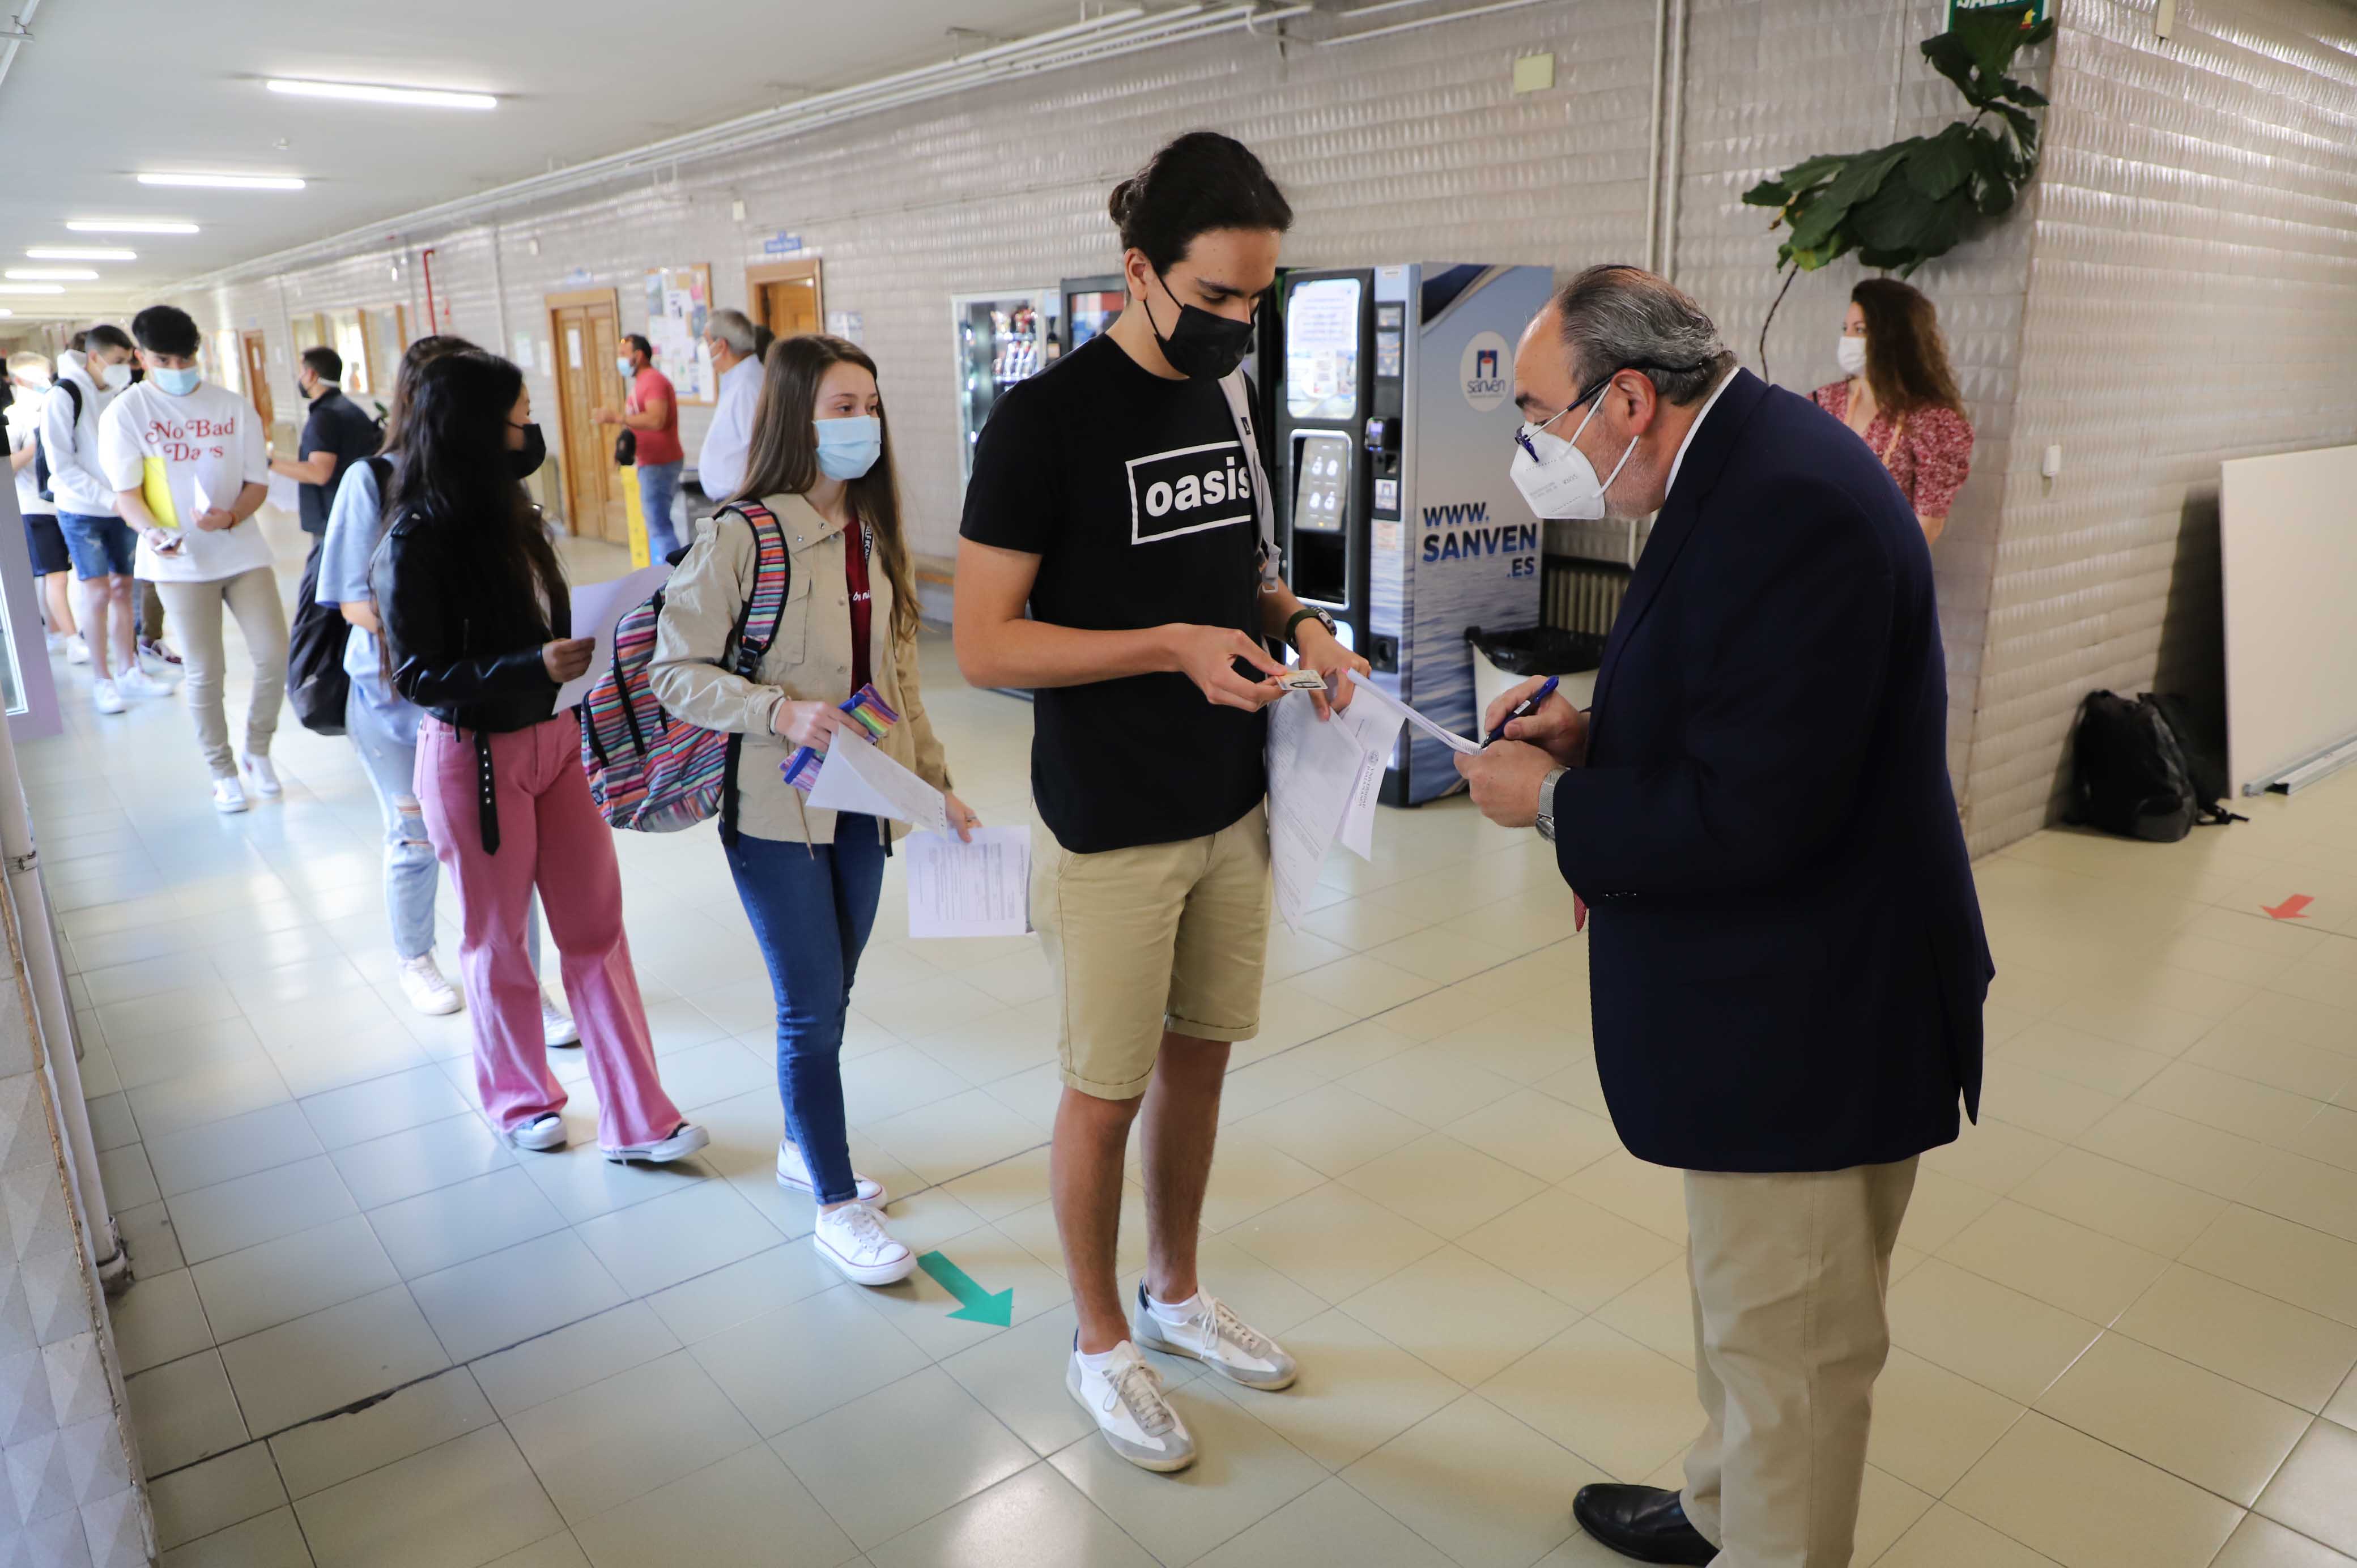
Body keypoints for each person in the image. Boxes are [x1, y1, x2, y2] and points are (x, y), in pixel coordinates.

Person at [1454, 265, 1990, 1568]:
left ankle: (1768, 1534)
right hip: (1765, 997)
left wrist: (1550, 808)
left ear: (1627, 397)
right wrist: (1595, 733)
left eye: (1537, 414)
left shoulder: (1784, 504)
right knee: (1744, 1309)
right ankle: (1715, 1506)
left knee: (1792, 1358)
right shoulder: (1733, 462)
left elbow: (1757, 816)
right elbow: (1748, 708)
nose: (1530, 448)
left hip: (1815, 1017)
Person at [955, 131, 1369, 1475]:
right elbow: (984, 644)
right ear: (1139, 270)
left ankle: (1174, 1296)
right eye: (1214, 300)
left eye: (1259, 300)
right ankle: (1096, 1341)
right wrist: (1164, 649)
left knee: (1203, 1057)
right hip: (1112, 816)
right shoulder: (1043, 424)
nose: (1237, 327)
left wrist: (1300, 623)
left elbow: (1241, 566)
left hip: (1228, 799)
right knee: (1105, 1086)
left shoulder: (1223, 398)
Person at [650, 333, 974, 1284]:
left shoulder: (877, 535)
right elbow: (674, 668)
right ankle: (835, 1203)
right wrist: (778, 710)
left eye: (868, 403)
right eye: (841, 405)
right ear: (796, 417)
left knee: (835, 993)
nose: (861, 421)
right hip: (774, 809)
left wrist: (937, 780)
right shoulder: (741, 533)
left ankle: (803, 1147)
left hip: (864, 804)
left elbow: (901, 678)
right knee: (809, 1013)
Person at [376, 347, 706, 1164]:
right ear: (472, 428)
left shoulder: (519, 516)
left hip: (560, 742)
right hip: (471, 759)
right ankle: (520, 1100)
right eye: (518, 416)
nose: (530, 431)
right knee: (499, 940)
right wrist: (529, 666)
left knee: (596, 928)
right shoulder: (415, 536)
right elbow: (417, 674)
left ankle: (640, 1115)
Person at [316, 334, 578, 1042]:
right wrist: (451, 626)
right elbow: (349, 600)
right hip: (395, 699)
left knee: (507, 847)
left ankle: (528, 986)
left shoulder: (491, 478)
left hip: (493, 696)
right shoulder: (373, 481)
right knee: (415, 834)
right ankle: (415, 957)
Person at [104, 306, 282, 809]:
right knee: (206, 669)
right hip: (178, 560)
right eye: (164, 359)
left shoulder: (231, 406)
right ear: (141, 357)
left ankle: (258, 749)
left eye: (186, 358)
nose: (177, 368)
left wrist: (229, 518)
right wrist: (154, 533)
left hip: (241, 551)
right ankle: (221, 769)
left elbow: (257, 481)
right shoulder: (127, 413)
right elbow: (127, 494)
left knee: (274, 656)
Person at [44, 323, 168, 714]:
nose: (125, 369)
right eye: (118, 361)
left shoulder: (122, 393)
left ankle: (131, 668)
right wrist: (109, 499)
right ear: (95, 357)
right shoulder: (64, 395)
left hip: (122, 507)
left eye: (129, 361)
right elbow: (61, 466)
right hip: (83, 510)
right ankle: (103, 680)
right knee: (97, 593)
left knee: (123, 590)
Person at [1813, 278, 1974, 545]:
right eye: (1846, 329)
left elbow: (1926, 528)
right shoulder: (1821, 403)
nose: (1848, 339)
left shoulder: (1933, 422)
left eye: (1860, 330)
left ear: (1895, 338)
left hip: (1878, 571)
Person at [6, 352, 82, 661]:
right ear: (18, 380)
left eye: (46, 374)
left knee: (58, 575)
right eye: (36, 376)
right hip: (34, 507)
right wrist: (37, 446)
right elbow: (7, 466)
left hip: (64, 502)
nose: (44, 381)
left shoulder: (55, 405)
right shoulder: (13, 416)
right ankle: (72, 637)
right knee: (55, 575)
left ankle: (56, 630)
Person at [273, 346, 383, 541]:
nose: (300, 378)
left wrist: (270, 463)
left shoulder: (324, 417)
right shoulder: (350, 409)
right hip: (357, 512)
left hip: (334, 521)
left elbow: (319, 473)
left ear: (311, 375)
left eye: (301, 372)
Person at [595, 333, 683, 557]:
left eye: (624, 354)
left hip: (660, 463)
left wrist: (616, 417)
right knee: (657, 525)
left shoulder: (653, 381)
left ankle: (673, 579)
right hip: (649, 463)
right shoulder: (641, 383)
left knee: (660, 526)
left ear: (639, 355)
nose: (620, 360)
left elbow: (656, 420)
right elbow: (637, 423)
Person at [693, 308, 761, 506]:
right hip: (733, 498)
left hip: (742, 499)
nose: (705, 349)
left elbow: (759, 447)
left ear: (721, 345)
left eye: (707, 342)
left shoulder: (748, 385)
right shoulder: (737, 378)